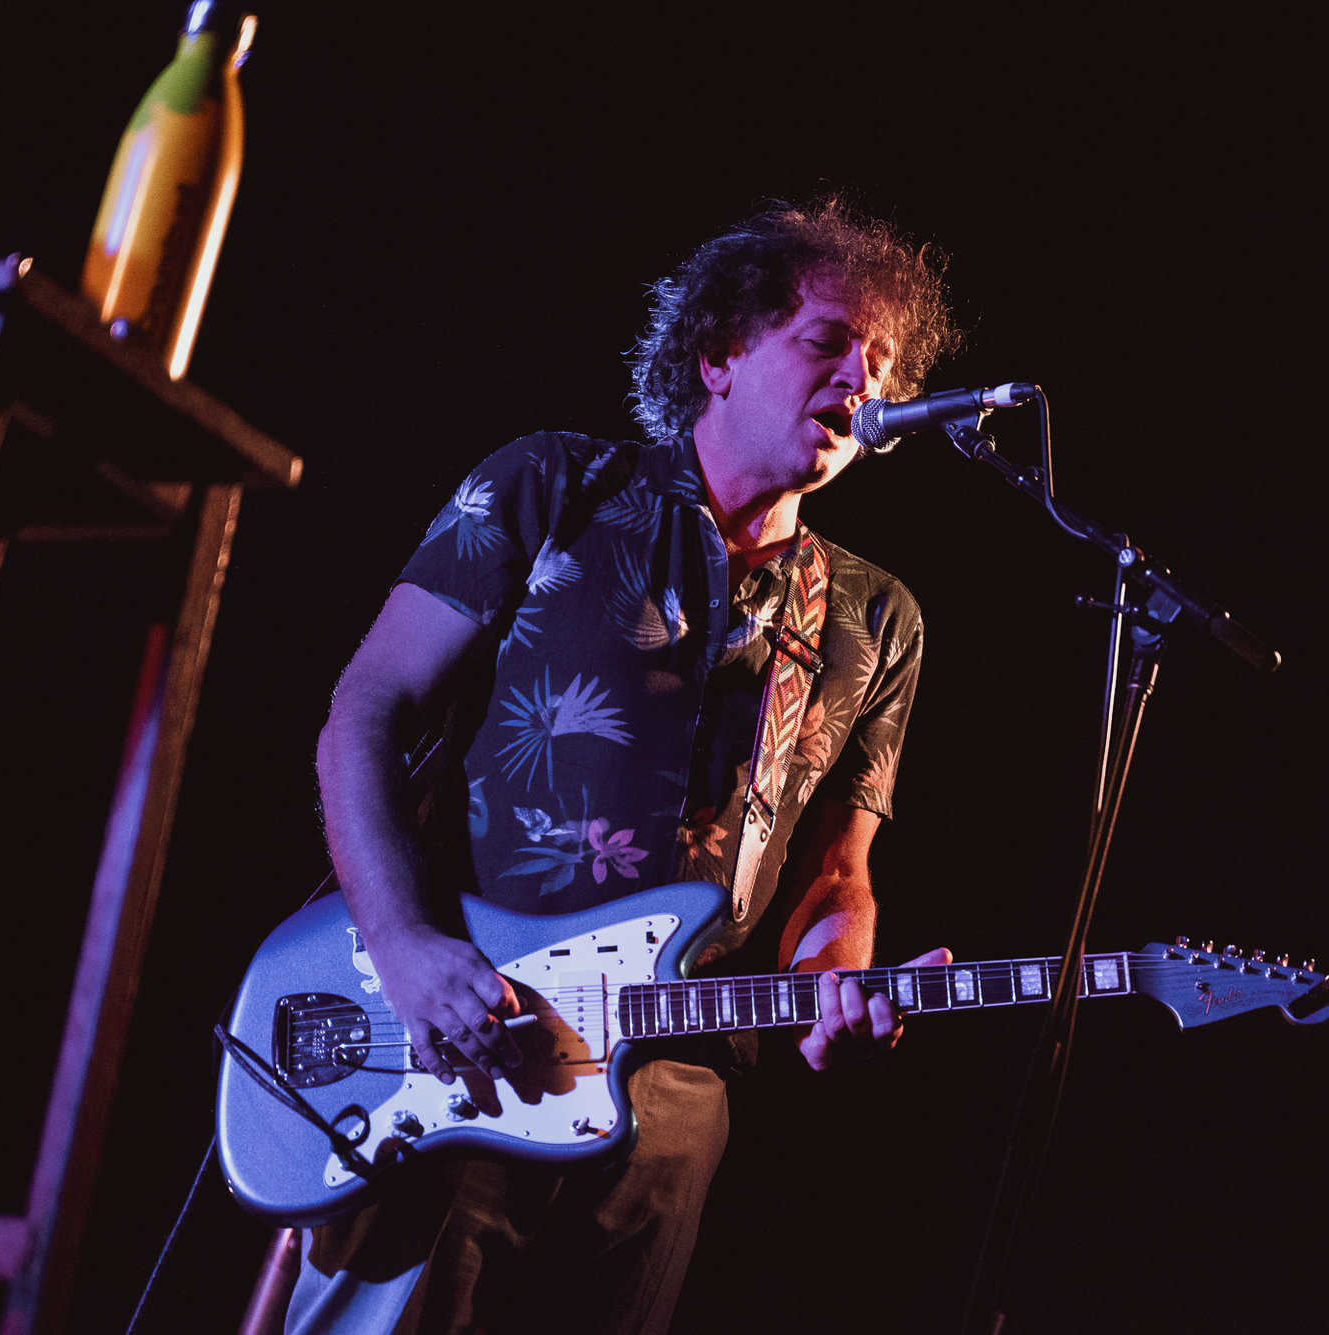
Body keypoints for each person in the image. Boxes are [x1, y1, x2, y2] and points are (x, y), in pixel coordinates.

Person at [287, 199, 960, 1333]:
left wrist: (836, 979)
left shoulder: (876, 616)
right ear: (719, 354)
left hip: (676, 1088)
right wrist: (402, 947)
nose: (864, 378)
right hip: (468, 1035)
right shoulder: (552, 485)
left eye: (884, 362)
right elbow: (365, 708)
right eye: (829, 341)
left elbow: (839, 873)